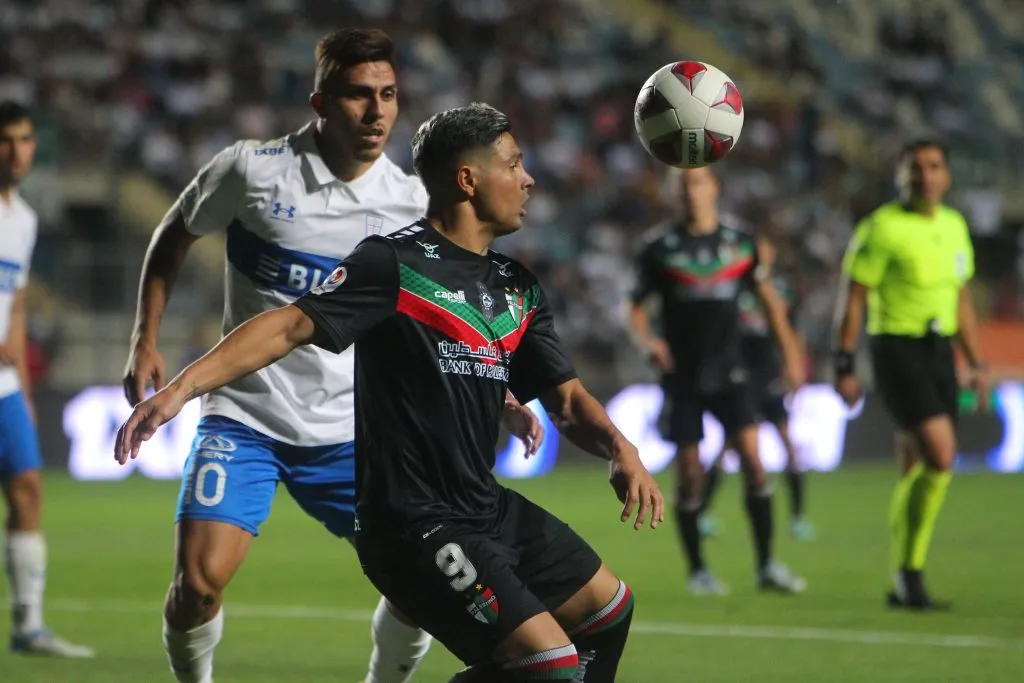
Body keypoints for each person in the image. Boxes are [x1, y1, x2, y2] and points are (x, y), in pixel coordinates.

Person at [116, 102, 664, 683]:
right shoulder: (392, 264)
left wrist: (619, 447)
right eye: (514, 163)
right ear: (468, 179)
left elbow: (568, 400)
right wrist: (178, 391)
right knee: (547, 664)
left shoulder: (516, 287)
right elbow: (286, 326)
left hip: (486, 508)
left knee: (608, 614)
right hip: (413, 524)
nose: (528, 179)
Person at [629, 167, 806, 596]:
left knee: (753, 459)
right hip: (683, 375)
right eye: (684, 184)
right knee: (690, 473)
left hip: (733, 370)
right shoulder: (658, 248)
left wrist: (793, 356)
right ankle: (698, 571)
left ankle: (767, 565)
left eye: (699, 182)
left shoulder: (740, 242)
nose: (692, 190)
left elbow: (770, 303)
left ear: (715, 188)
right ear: (674, 192)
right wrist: (648, 341)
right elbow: (635, 308)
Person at [834, 138, 986, 610]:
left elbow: (961, 300)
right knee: (941, 458)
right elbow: (854, 297)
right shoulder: (881, 228)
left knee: (917, 469)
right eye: (914, 167)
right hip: (896, 350)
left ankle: (904, 579)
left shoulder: (955, 227)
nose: (924, 175)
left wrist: (976, 361)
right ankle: (909, 572)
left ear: (947, 175)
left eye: (933, 166)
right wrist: (844, 363)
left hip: (940, 351)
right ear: (900, 176)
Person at [0, 101, 94, 658]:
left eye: (26, 139)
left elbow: (12, 308)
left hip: (5, 384)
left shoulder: (24, 220)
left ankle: (28, 626)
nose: (17, 151)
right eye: (6, 140)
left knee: (29, 488)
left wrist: (26, 391)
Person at [700, 235, 814, 541]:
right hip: (739, 379)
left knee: (789, 445)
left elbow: (794, 332)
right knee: (729, 446)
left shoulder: (782, 291)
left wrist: (796, 368)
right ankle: (703, 512)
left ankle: (798, 518)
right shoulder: (732, 288)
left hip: (770, 377)